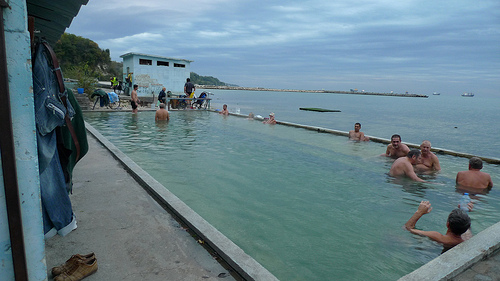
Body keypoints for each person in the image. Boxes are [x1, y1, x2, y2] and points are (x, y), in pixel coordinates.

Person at [404, 201, 472, 252]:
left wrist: (419, 212)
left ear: (447, 224)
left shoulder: (438, 237)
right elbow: (466, 226)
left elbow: (407, 228)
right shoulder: (467, 239)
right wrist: (464, 210)